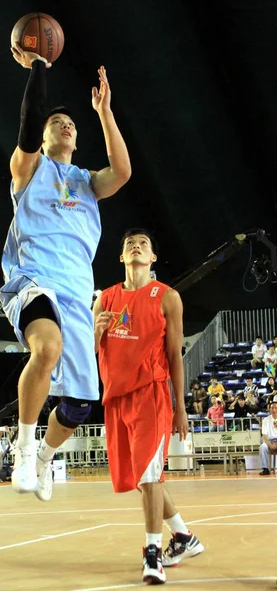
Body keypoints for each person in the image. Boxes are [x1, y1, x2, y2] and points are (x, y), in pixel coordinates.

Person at [0, 43, 131, 501]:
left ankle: (44, 458)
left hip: (78, 293)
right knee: (47, 346)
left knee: (79, 405)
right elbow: (29, 120)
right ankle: (23, 446)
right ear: (45, 134)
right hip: (33, 279)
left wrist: (105, 112)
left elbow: (123, 171)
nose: (65, 125)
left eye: (70, 124)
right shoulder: (29, 168)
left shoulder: (88, 183)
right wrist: (38, 67)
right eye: (58, 122)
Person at [93, 229, 203, 585]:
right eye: (129, 245)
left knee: (149, 475)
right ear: (122, 257)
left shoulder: (166, 297)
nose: (135, 247)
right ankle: (184, 537)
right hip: (116, 399)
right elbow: (87, 353)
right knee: (142, 479)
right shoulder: (104, 300)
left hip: (151, 395)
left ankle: (152, 554)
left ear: (152, 257)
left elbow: (175, 355)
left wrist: (181, 407)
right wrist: (94, 332)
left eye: (142, 244)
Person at [259, 397, 277, 475]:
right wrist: (270, 444)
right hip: (269, 440)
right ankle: (265, 469)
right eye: (272, 408)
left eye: (276, 408)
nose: (274, 410)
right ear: (269, 409)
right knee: (263, 447)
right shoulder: (265, 420)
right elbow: (265, 435)